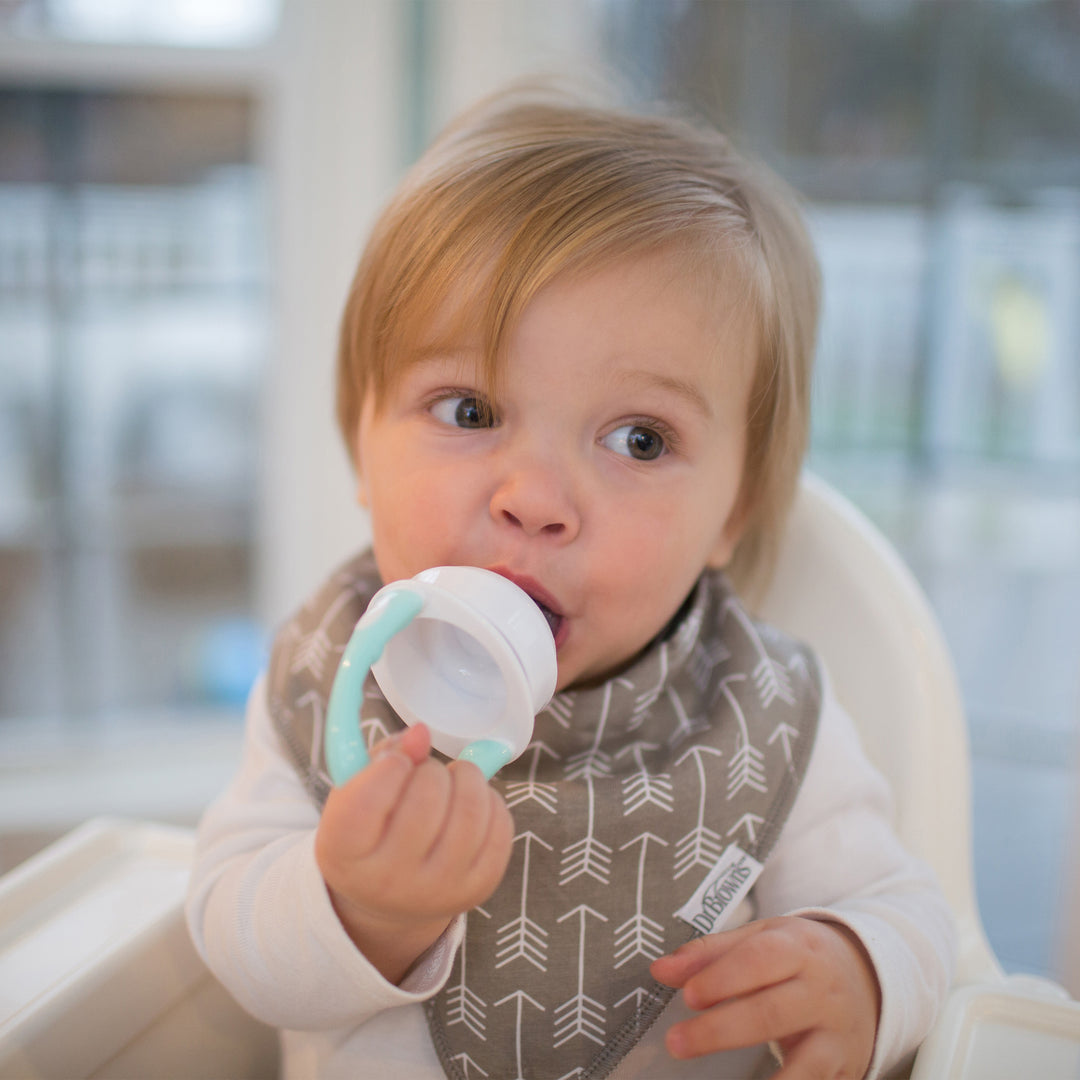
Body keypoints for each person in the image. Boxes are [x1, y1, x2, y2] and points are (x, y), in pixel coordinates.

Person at [186, 83, 956, 1080]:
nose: (535, 499)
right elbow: (226, 928)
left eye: (640, 439)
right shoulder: (325, 677)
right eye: (467, 411)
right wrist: (358, 909)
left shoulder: (760, 714)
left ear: (733, 511)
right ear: (360, 444)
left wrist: (864, 968)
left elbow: (918, 916)